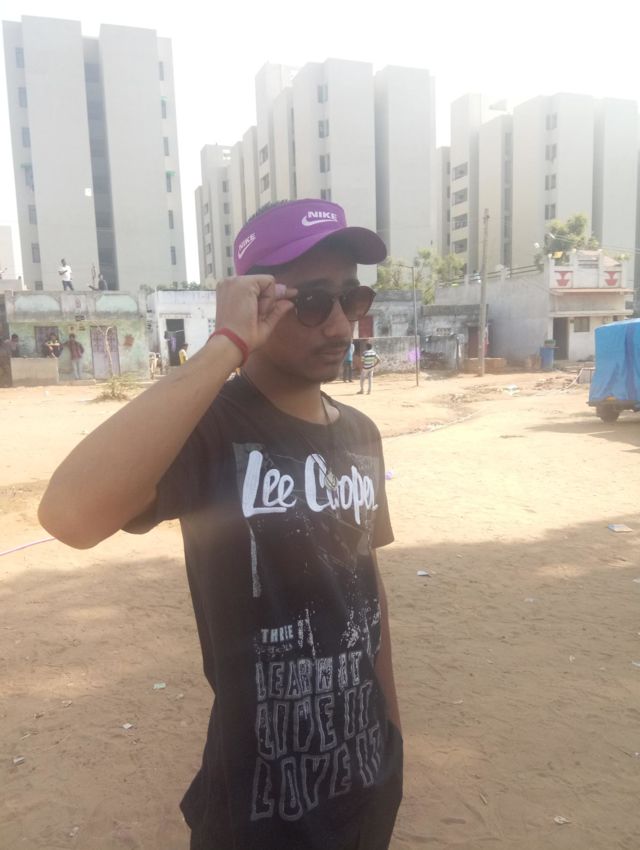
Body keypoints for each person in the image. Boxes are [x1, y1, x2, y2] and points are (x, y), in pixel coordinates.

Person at [38, 198, 402, 850]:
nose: (340, 324)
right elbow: (69, 515)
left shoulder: (360, 434)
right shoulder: (209, 427)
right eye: (312, 302)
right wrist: (224, 346)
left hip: (364, 785)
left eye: (353, 298)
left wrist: (393, 736)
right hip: (254, 811)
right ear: (256, 299)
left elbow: (366, 593)